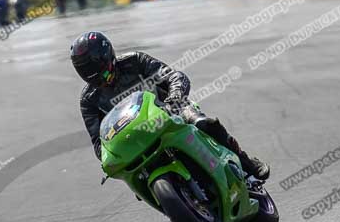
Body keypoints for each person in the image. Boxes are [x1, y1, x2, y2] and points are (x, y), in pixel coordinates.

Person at [70, 31, 270, 180]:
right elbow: (98, 142)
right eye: (96, 81)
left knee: (202, 123)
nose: (104, 82)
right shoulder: (89, 100)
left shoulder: (135, 61)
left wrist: (174, 97)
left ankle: (246, 163)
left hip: (170, 111)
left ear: (109, 58)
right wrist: (110, 156)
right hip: (136, 139)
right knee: (135, 176)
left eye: (104, 75)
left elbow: (175, 76)